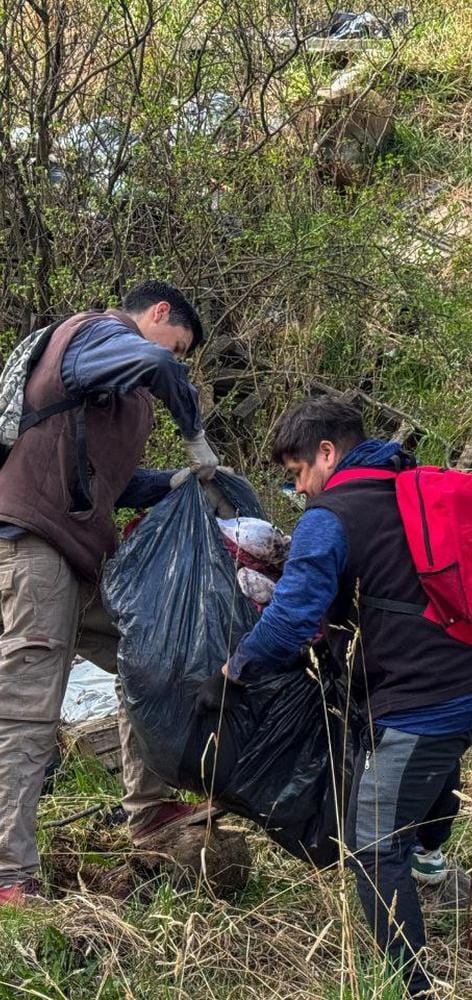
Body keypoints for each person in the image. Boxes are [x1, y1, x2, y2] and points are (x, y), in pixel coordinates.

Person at [214, 397, 472, 997]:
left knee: (374, 846)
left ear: (326, 453)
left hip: (431, 700)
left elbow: (291, 622)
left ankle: (413, 987)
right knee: (433, 759)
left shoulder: (330, 516)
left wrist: (235, 669)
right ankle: (433, 860)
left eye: (298, 474)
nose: (298, 489)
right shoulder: (410, 482)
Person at [0, 280, 223, 907]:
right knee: (26, 707)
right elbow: (154, 363)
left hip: (78, 556)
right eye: (178, 346)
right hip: (34, 547)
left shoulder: (115, 393)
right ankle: (8, 875)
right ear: (156, 315)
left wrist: (178, 482)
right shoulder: (95, 335)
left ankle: (148, 808)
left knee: (146, 655)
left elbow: (108, 483)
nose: (174, 363)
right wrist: (193, 429)